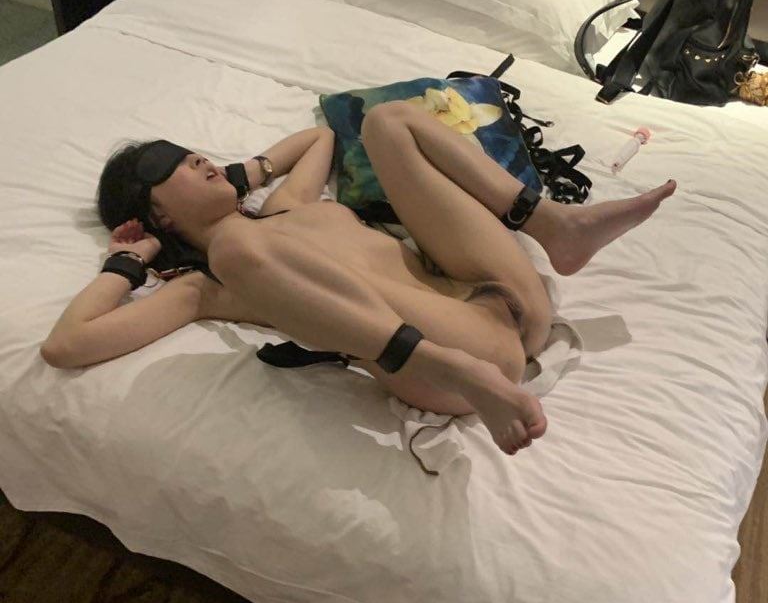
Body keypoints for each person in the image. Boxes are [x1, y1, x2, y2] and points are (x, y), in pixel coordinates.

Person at [40, 102, 676, 456]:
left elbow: (318, 138)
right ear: (156, 213)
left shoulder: (286, 207)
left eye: (195, 154)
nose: (201, 160)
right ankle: (458, 371)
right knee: (235, 243)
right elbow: (67, 345)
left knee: (386, 122)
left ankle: (554, 226)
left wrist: (243, 175)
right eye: (177, 168)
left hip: (504, 303)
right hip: (453, 359)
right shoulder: (206, 283)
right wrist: (130, 261)